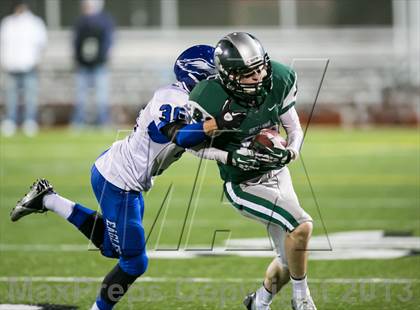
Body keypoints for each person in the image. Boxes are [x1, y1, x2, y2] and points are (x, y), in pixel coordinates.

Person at [10, 45, 250, 310]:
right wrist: (217, 123)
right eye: (217, 75)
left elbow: (197, 145)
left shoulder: (191, 101)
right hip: (119, 181)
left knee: (113, 248)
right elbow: (179, 135)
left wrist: (231, 152)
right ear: (198, 75)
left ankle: (48, 199)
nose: (224, 81)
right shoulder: (171, 97)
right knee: (134, 262)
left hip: (123, 179)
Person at [189, 32, 317, 310]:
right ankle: (303, 300)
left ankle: (258, 303)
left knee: (289, 257)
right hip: (244, 184)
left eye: (260, 68)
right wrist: (230, 157)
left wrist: (291, 151)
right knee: (301, 226)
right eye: (248, 73)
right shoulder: (208, 98)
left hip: (278, 172)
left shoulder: (279, 78)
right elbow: (193, 146)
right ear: (229, 76)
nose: (258, 76)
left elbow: (294, 127)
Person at [0, 0, 47, 137]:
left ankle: (30, 121)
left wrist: (38, 61)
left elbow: (41, 44)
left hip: (29, 65)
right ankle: (11, 121)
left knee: (30, 96)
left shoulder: (35, 23)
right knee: (11, 97)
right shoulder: (7, 23)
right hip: (11, 66)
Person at [72, 0, 114, 127]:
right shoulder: (80, 22)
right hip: (83, 65)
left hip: (99, 64)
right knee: (81, 96)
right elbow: (76, 43)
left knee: (102, 96)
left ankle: (103, 121)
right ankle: (78, 122)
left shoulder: (104, 21)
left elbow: (108, 42)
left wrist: (101, 57)